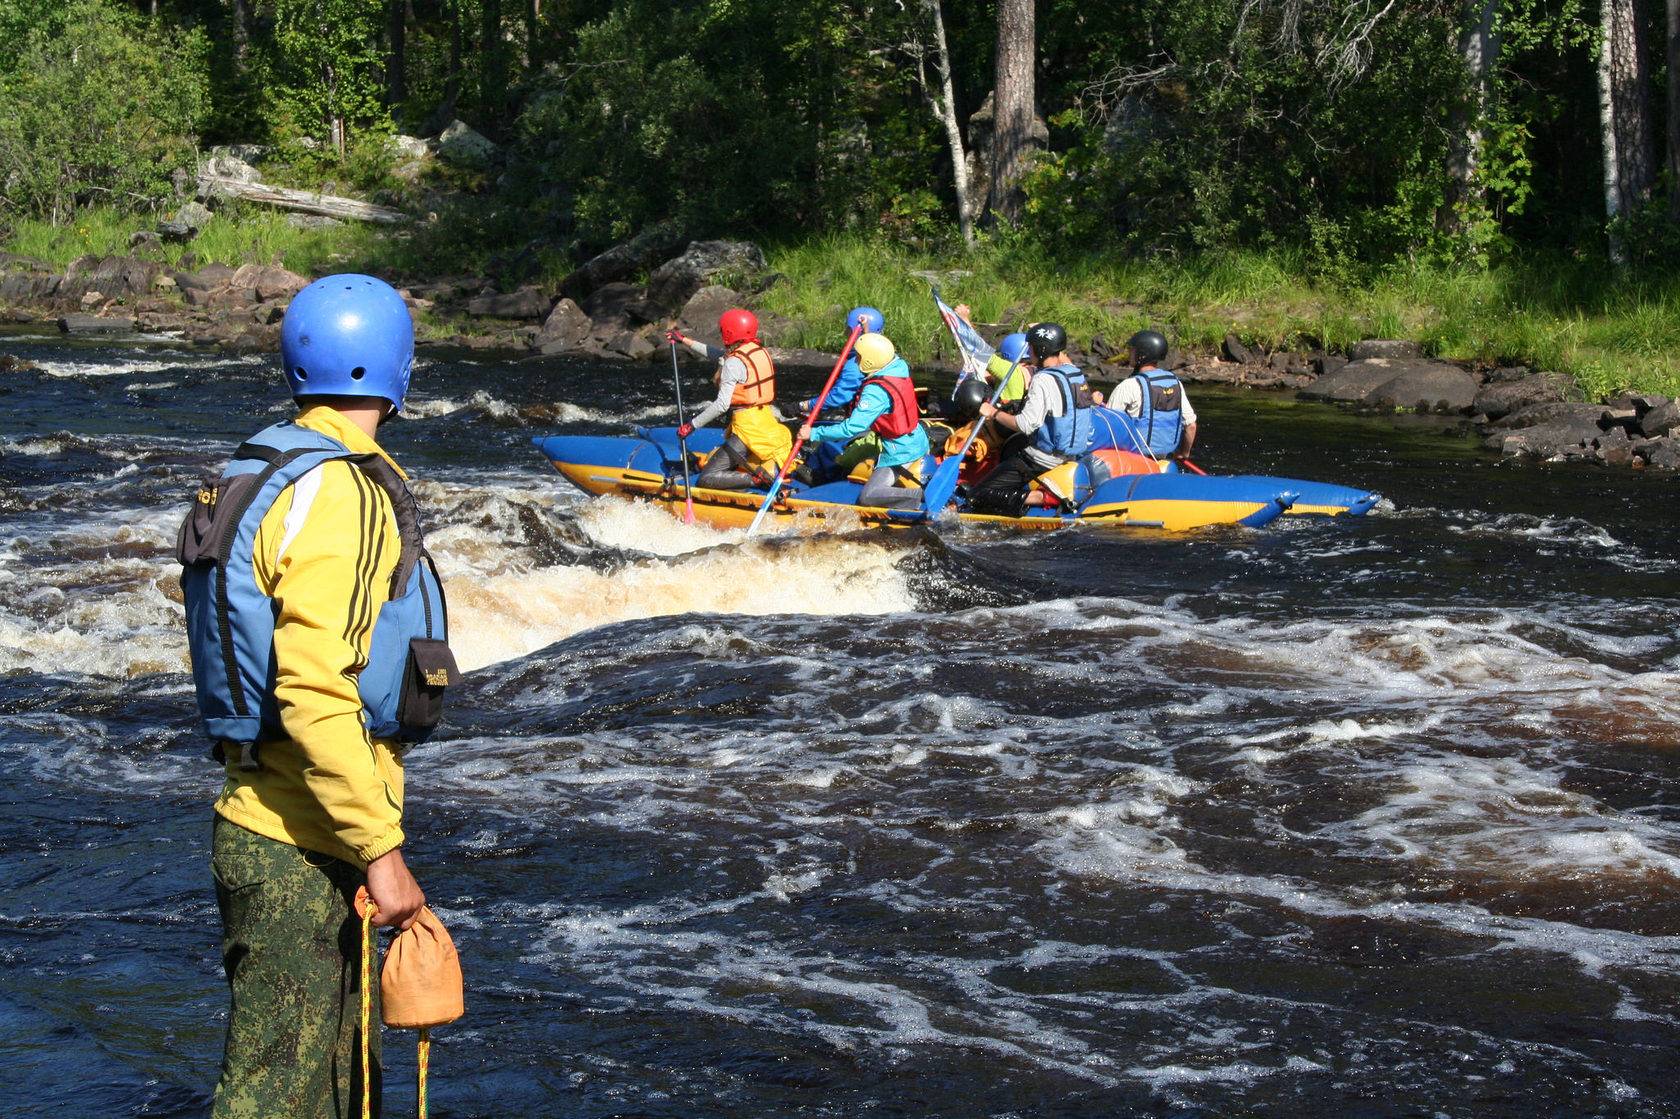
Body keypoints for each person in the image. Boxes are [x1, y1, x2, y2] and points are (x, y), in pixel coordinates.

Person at [179, 274, 458, 1118]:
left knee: (328, 1091)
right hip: (304, 843)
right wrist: (382, 847)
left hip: (270, 819)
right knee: (278, 1098)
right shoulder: (340, 493)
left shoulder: (270, 459)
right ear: (397, 371)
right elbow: (312, 689)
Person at [968, 321, 1096, 516]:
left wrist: (993, 412)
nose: (1029, 351)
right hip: (1072, 455)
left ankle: (1039, 497)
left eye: (1032, 347)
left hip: (1041, 459)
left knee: (978, 495)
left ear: (1042, 350)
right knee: (1015, 446)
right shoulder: (1075, 373)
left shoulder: (1042, 380)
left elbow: (1025, 424)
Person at [796, 332, 929, 510]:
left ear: (869, 361)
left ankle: (922, 497)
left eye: (859, 358)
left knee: (868, 496)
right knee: (851, 457)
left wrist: (813, 433)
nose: (856, 362)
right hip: (917, 437)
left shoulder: (875, 392)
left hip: (900, 451)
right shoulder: (897, 366)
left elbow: (850, 428)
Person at [667, 308, 792, 490]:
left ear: (729, 332)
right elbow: (717, 355)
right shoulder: (757, 351)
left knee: (707, 478)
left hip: (747, 430)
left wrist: (691, 425)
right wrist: (685, 340)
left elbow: (722, 405)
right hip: (766, 422)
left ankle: (756, 479)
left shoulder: (733, 363)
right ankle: (762, 468)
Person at [1107, 329, 1197, 460]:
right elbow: (1191, 426)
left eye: (1132, 350)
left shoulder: (1128, 385)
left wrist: (1097, 407)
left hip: (1133, 459)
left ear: (1142, 355)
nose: (1129, 353)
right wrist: (1184, 453)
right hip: (1162, 459)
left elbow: (1108, 426)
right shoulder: (1175, 383)